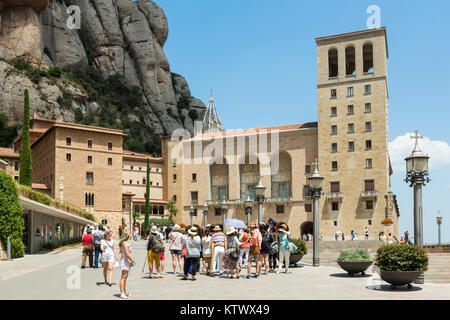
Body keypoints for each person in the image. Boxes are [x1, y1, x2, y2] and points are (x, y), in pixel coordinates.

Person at [119, 232, 133, 299]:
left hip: (124, 261)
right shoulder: (126, 244)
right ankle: (122, 292)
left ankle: (124, 291)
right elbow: (127, 254)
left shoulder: (123, 243)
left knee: (125, 277)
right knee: (124, 277)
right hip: (125, 261)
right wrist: (132, 260)